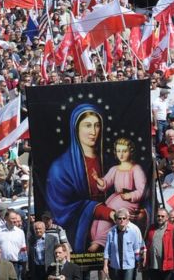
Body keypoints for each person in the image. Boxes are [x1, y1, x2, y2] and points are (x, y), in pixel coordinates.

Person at [46, 104, 115, 253]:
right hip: (80, 233)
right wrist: (102, 211)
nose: (93, 132)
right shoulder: (60, 167)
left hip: (111, 228)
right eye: (87, 126)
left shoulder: (110, 162)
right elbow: (63, 208)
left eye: (97, 125)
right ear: (75, 129)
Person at [90, 137, 147, 252]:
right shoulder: (115, 169)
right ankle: (96, 240)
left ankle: (98, 242)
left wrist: (130, 195)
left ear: (130, 152)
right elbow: (105, 183)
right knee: (100, 217)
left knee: (110, 215)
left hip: (129, 202)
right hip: (116, 198)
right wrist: (97, 179)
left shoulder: (136, 169)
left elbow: (142, 190)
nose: (121, 154)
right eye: (118, 151)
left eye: (124, 151)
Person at [103, 208, 145, 280]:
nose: (122, 220)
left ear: (127, 220)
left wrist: (139, 262)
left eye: (124, 218)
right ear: (116, 220)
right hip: (115, 266)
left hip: (129, 266)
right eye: (119, 218)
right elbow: (107, 251)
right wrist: (105, 266)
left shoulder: (133, 232)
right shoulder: (111, 233)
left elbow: (136, 250)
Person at [144, 208, 174, 280]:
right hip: (153, 264)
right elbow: (146, 244)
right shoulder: (151, 228)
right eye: (158, 216)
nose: (160, 218)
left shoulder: (173, 229)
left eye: (162, 216)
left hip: (167, 265)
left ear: (167, 217)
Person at [0, 210, 27, 280]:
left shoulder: (20, 232)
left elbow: (23, 249)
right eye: (12, 219)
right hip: (0, 263)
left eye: (16, 219)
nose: (15, 221)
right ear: (6, 219)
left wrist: (24, 265)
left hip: (15, 264)